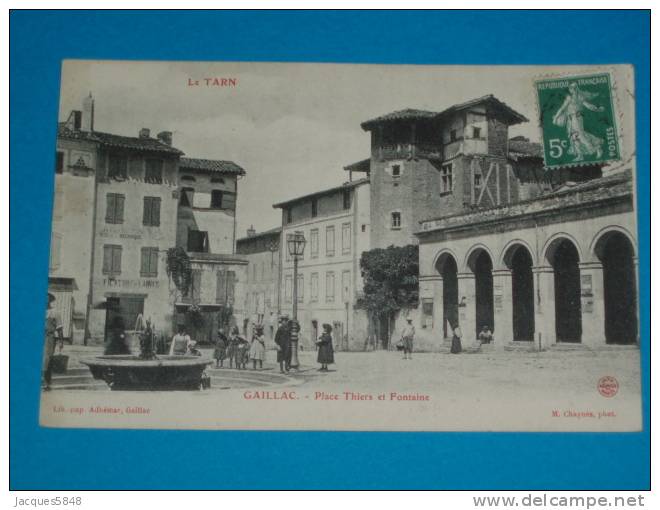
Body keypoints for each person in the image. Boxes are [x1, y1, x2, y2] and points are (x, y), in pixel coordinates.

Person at [552, 82, 605, 162]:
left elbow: (588, 105)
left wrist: (597, 109)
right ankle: (580, 155)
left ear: (576, 89)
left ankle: (597, 148)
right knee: (574, 137)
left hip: (577, 118)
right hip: (570, 120)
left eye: (572, 88)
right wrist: (556, 117)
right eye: (570, 88)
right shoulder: (569, 97)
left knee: (581, 135)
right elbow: (562, 108)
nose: (571, 90)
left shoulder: (579, 97)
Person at [43, 293, 63, 391]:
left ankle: (47, 384)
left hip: (49, 338)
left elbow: (59, 328)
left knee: (47, 360)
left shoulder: (55, 312)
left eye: (47, 298)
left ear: (50, 300)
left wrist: (61, 341)